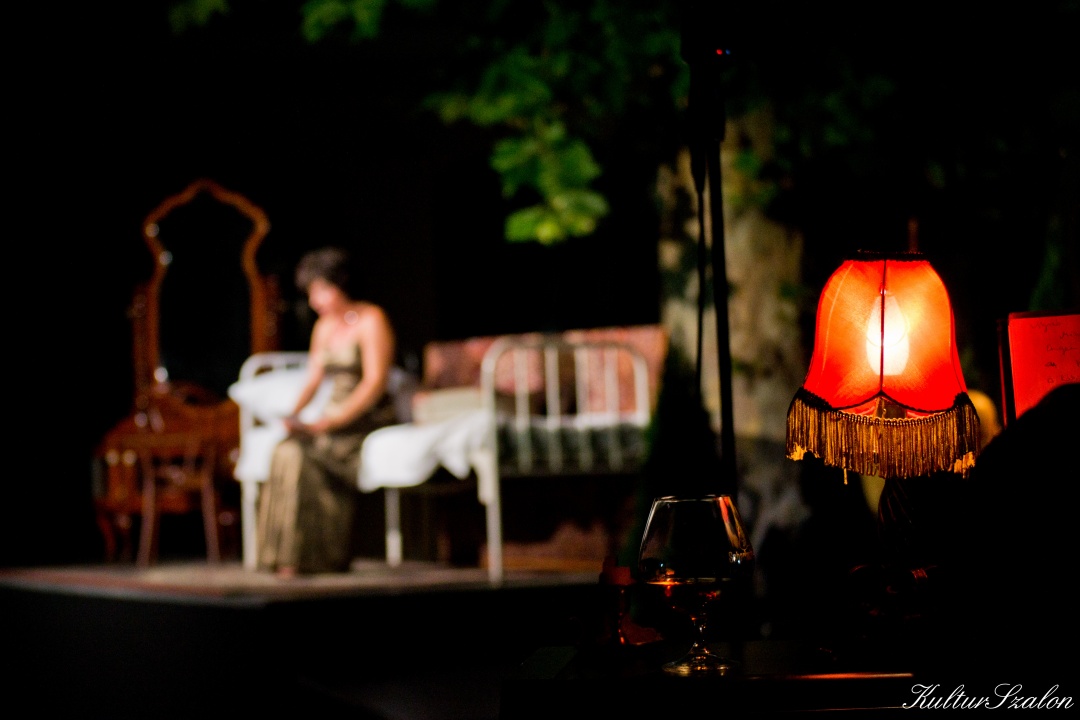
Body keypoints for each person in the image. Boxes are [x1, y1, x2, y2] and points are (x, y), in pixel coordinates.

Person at [256, 247, 398, 576]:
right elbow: (313, 380)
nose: (314, 300)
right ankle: (285, 555)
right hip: (332, 416)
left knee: (303, 456)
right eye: (310, 293)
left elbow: (374, 382)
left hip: (363, 416)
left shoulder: (371, 319)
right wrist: (294, 416)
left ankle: (320, 556)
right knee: (285, 450)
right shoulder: (324, 327)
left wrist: (332, 421)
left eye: (320, 290)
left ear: (340, 283)